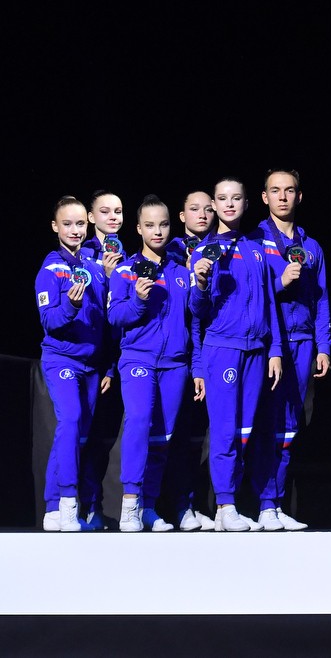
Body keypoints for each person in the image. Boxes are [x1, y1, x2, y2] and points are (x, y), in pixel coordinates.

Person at [190, 177, 283, 531]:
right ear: (214, 205)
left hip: (256, 350)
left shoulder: (256, 249)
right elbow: (197, 311)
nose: (229, 204)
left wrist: (275, 349)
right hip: (222, 350)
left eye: (236, 198)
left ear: (246, 203)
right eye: (222, 198)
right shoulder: (203, 252)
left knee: (247, 431)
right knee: (225, 430)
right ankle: (225, 503)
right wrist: (200, 284)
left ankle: (234, 506)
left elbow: (270, 303)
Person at [249, 169, 331, 529]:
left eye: (289, 190)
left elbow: (321, 300)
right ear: (264, 197)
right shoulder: (253, 243)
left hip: (302, 343)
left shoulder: (311, 247)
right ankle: (261, 503)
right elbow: (252, 295)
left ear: (299, 196)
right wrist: (280, 282)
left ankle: (275, 503)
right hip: (269, 344)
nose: (282, 197)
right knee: (265, 423)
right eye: (275, 190)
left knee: (289, 426)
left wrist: (323, 345)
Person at [107, 195, 194, 532]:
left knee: (163, 437)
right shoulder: (125, 271)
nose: (158, 231)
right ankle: (130, 503)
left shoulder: (181, 274)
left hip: (175, 364)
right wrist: (139, 301)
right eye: (150, 225)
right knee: (140, 421)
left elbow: (195, 321)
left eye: (164, 224)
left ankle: (149, 507)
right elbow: (115, 316)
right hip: (137, 359)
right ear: (138, 229)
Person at [37, 197, 110, 532]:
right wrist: (69, 305)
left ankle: (53, 507)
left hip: (91, 365)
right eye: (67, 224)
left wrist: (108, 367)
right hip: (61, 359)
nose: (75, 230)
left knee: (76, 434)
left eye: (80, 223)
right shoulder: (50, 269)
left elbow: (104, 321)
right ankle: (67, 503)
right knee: (70, 420)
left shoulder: (94, 267)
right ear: (55, 227)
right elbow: (49, 321)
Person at [162, 190, 217, 531]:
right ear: (182, 216)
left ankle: (208, 505)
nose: (202, 214)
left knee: (207, 434)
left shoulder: (223, 247)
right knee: (177, 432)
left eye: (208, 208)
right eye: (194, 209)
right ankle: (177, 506)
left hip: (218, 345)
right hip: (181, 350)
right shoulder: (168, 251)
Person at [76, 189, 127, 530]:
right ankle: (73, 507)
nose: (113, 217)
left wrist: (112, 365)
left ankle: (94, 508)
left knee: (104, 440)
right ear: (91, 217)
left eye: (118, 211)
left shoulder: (128, 256)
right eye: (105, 211)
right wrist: (106, 278)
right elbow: (87, 310)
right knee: (82, 436)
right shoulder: (80, 255)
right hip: (85, 359)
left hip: (115, 362)